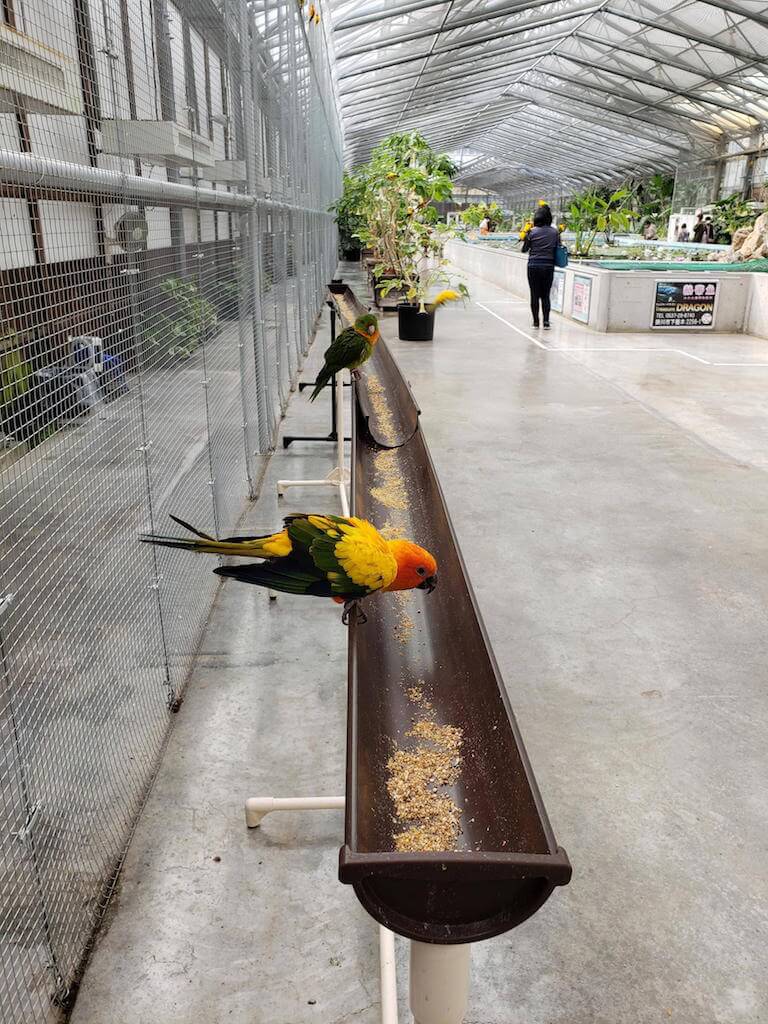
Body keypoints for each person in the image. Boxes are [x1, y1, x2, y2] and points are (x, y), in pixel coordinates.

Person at [521, 205, 560, 329]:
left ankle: (536, 322)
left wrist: (526, 234)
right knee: (545, 295)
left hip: (533, 266)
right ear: (549, 218)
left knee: (534, 294)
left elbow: (524, 250)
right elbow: (558, 248)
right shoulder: (555, 232)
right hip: (548, 266)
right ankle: (546, 322)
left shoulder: (532, 232)